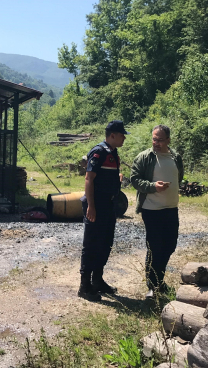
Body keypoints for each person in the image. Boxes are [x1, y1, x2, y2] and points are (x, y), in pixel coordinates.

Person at [131, 125, 183, 298]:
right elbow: (135, 180)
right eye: (154, 139)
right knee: (155, 248)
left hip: (171, 208)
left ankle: (159, 281)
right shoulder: (144, 157)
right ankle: (152, 286)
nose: (156, 143)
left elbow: (179, 177)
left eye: (160, 140)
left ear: (168, 140)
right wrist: (153, 186)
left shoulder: (176, 157)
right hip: (151, 209)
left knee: (170, 245)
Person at [78, 120, 128, 302]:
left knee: (105, 243)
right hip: (97, 205)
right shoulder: (98, 152)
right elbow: (89, 179)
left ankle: (97, 280)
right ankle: (84, 287)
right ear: (112, 135)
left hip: (109, 205)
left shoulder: (113, 153)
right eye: (121, 135)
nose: (124, 138)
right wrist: (91, 206)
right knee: (91, 244)